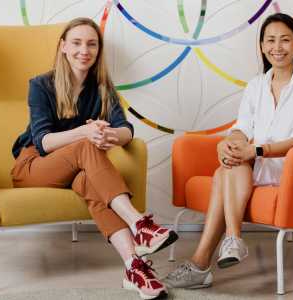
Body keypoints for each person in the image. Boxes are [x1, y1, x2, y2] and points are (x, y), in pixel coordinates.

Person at [10, 17, 176, 299]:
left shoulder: (102, 87)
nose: (83, 50)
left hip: (75, 171)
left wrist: (109, 136)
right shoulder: (41, 85)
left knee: (92, 181)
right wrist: (85, 132)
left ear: (98, 50)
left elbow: (127, 129)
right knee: (87, 145)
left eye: (91, 44)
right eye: (76, 43)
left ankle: (134, 266)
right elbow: (43, 141)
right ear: (63, 46)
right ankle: (139, 224)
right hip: (33, 166)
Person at [163, 13, 293, 289]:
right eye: (270, 41)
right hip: (259, 165)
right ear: (263, 47)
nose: (277, 47)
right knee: (229, 162)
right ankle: (228, 243)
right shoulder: (257, 85)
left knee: (225, 171)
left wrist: (256, 150)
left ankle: (203, 262)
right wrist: (228, 142)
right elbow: (242, 126)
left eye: (285, 40)